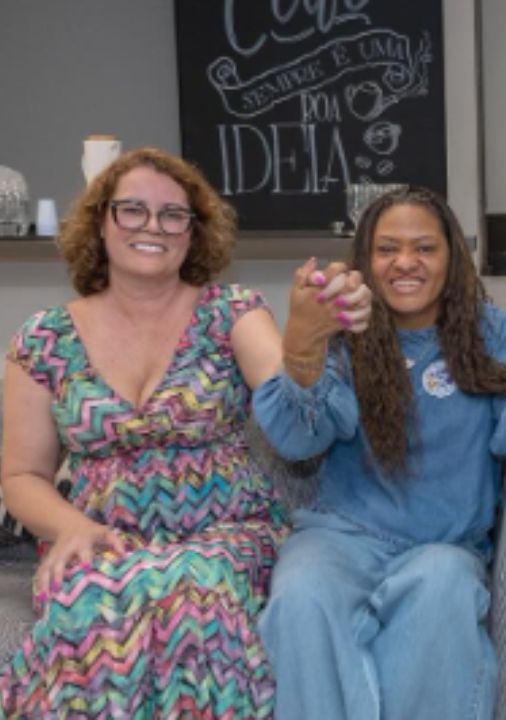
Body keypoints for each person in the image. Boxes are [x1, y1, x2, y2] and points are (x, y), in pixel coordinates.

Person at [0, 147, 367, 716]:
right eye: (133, 210)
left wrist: (307, 338)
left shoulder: (233, 312)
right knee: (90, 599)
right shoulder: (44, 338)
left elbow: (293, 408)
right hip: (100, 537)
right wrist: (74, 528)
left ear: (195, 234)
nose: (154, 226)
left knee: (195, 590)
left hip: (226, 538)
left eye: (174, 215)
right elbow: (22, 473)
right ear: (101, 221)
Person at [252, 186, 506, 720]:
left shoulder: (486, 330)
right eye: (388, 248)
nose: (406, 263)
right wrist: (302, 347)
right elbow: (298, 441)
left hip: (443, 545)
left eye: (425, 248)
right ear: (366, 260)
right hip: (339, 537)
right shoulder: (340, 333)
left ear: (451, 257)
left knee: (443, 591)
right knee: (301, 592)